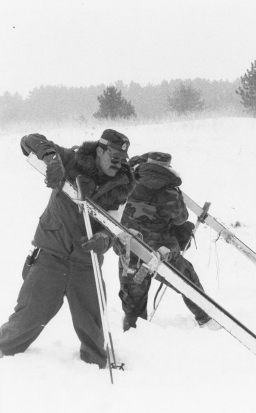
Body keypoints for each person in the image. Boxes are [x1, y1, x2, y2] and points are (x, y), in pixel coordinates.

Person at [0, 129, 135, 367]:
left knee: (92, 324)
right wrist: (52, 160)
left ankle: (95, 371)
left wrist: (104, 239)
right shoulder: (72, 161)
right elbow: (30, 140)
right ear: (100, 150)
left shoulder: (121, 186)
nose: (119, 164)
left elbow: (114, 226)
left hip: (86, 262)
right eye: (114, 157)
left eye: (123, 159)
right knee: (29, 316)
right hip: (51, 254)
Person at [116, 152, 220, 331]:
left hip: (132, 252)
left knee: (133, 304)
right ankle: (205, 318)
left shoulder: (129, 183)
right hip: (163, 252)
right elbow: (181, 218)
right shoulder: (171, 192)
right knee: (188, 282)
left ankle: (133, 337)